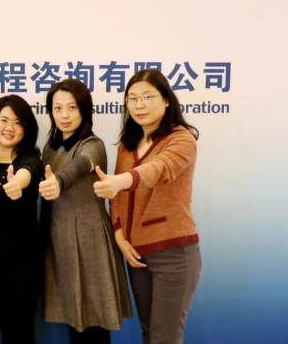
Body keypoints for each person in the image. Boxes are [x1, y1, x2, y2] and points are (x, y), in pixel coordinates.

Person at [94, 69, 202, 344]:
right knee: (149, 333)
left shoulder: (182, 139)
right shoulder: (127, 145)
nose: (138, 105)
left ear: (166, 100)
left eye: (147, 97)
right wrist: (119, 234)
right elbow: (117, 197)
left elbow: (159, 168)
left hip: (173, 252)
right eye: (132, 99)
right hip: (136, 254)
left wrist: (122, 180)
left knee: (165, 337)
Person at [38, 78, 132, 344]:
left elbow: (79, 165)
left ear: (84, 110)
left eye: (72, 107)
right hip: (60, 238)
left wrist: (58, 181)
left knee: (95, 319)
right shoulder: (49, 149)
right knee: (73, 315)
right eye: (57, 108)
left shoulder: (93, 144)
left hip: (90, 237)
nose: (64, 115)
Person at [0, 95, 42, 344]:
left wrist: (17, 184)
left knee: (21, 332)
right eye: (4, 120)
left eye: (18, 123)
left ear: (26, 129)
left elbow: (28, 173)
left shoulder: (30, 160)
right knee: (6, 330)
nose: (9, 128)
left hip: (23, 265)